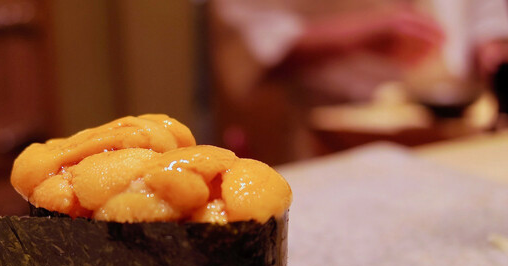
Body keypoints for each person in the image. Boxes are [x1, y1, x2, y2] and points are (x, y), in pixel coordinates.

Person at [209, 0, 508, 164]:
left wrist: (491, 41)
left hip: (465, 125)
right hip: (329, 136)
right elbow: (249, 39)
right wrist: (355, 36)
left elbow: (486, 9)